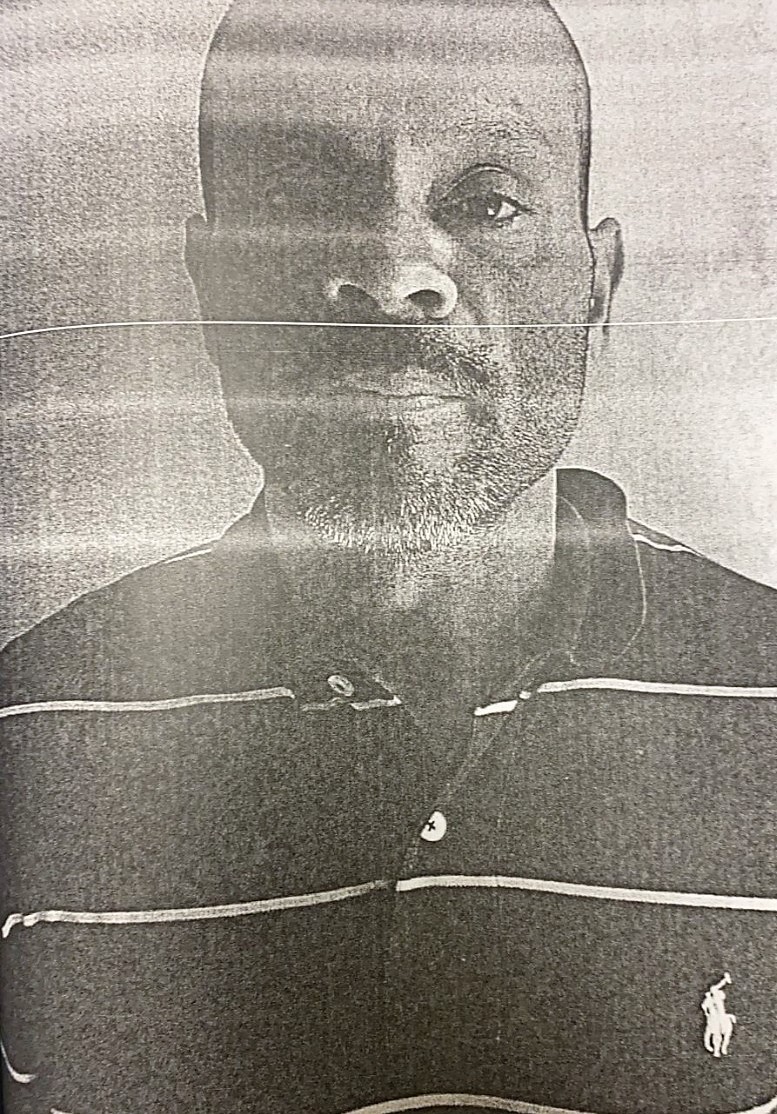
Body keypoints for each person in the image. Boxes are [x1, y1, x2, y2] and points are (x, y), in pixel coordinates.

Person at [2, 1, 776, 1112]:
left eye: (487, 201)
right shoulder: (26, 737)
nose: (393, 269)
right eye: (300, 200)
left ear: (596, 286)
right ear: (210, 287)